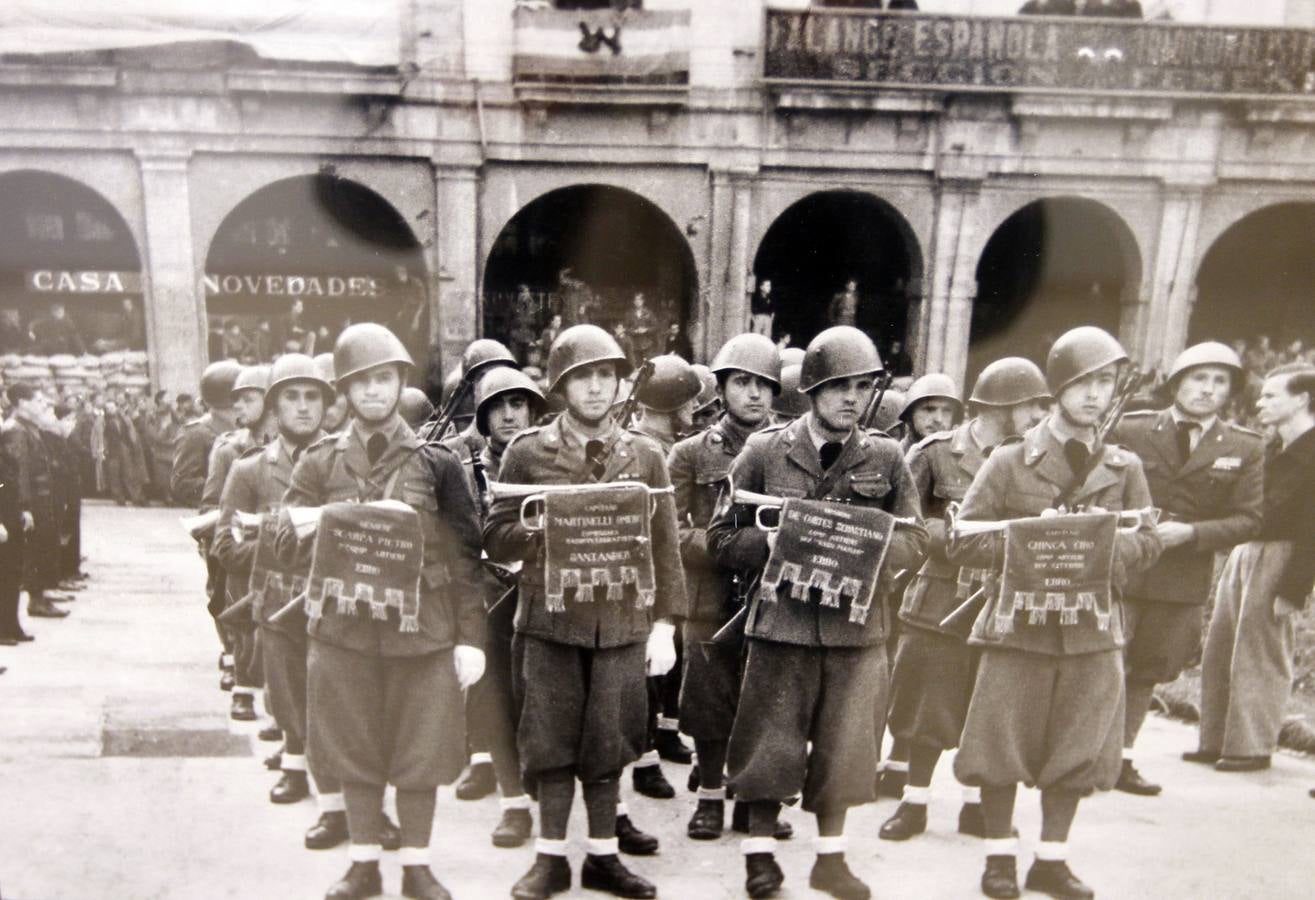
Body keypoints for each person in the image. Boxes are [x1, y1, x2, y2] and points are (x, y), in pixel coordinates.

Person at [708, 326, 928, 900]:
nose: (851, 398)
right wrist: (781, 539)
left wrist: (865, 548)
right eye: (838, 387)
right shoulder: (763, 451)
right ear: (810, 390)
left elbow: (917, 539)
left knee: (847, 745)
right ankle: (759, 855)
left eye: (861, 387)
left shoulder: (886, 455)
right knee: (768, 740)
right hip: (782, 623)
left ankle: (830, 858)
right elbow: (721, 539)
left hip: (856, 629)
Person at [276, 323, 490, 900]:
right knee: (353, 747)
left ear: (399, 383)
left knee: (420, 750)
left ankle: (416, 866)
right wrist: (336, 518)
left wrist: (471, 639)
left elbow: (468, 553)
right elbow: (283, 542)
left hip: (422, 632)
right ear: (343, 391)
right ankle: (363, 864)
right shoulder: (319, 463)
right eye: (361, 382)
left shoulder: (437, 463)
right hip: (342, 632)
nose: (373, 392)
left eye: (384, 379)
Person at [948, 326, 1163, 900]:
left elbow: (1149, 543)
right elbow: (964, 541)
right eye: (1083, 382)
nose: (1095, 394)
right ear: (1058, 387)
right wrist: (1030, 542)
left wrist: (1097, 547)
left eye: (1106, 382)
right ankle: (998, 859)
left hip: (1092, 629)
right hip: (1018, 628)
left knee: (1076, 749)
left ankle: (1051, 860)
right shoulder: (1010, 461)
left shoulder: (1124, 466)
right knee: (1000, 744)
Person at [485, 324, 687, 900]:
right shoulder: (527, 453)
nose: (596, 389)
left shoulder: (647, 456)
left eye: (606, 376)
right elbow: (494, 535)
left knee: (610, 741)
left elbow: (666, 545)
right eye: (583, 378)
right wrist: (538, 527)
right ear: (561, 386)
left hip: (621, 625)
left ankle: (602, 857)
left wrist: (667, 625)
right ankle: (550, 860)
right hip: (549, 624)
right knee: (549, 742)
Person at [879, 358, 1051, 844]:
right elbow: (902, 518)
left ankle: (975, 807)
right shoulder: (936, 453)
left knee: (989, 709)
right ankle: (913, 804)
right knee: (926, 709)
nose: (1040, 415)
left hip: (1001, 598)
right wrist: (953, 535)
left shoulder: (1031, 458)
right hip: (939, 596)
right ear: (1003, 405)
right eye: (1032, 405)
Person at [1113, 343, 1264, 795]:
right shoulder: (1133, 430)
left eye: (1220, 382)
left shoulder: (1244, 446)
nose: (1208, 389)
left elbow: (1250, 518)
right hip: (1123, 569)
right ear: (1177, 383)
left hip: (1181, 580)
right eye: (1199, 378)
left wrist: (1193, 534)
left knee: (1147, 668)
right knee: (1103, 661)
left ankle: (1120, 759)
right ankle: (1080, 752)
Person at [668, 333, 792, 843]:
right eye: (743, 382)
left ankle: (752, 797)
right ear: (721, 389)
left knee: (764, 699)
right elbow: (671, 531)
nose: (755, 394)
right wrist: (736, 547)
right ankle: (710, 798)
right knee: (708, 700)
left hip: (773, 595)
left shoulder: (792, 449)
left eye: (764, 384)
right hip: (711, 594)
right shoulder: (689, 453)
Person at [1187, 364, 1315, 773]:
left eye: (1271, 396)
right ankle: (1217, 740)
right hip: (1247, 550)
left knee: (1260, 653)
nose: (1260, 402)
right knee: (1222, 647)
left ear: (1302, 400)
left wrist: (1294, 589)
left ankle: (1251, 747)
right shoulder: (1270, 448)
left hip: (1281, 555)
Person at [466, 367, 548, 848]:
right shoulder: (465, 468)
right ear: (483, 417)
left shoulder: (547, 461)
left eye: (519, 404)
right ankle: (513, 803)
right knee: (494, 696)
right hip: (488, 595)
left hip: (539, 592)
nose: (509, 414)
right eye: (498, 406)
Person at [631, 355, 704, 795]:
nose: (694, 412)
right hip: (642, 574)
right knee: (642, 673)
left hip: (660, 569)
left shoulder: (657, 446)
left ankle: (658, 738)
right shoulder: (647, 448)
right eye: (688, 404)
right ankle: (644, 762)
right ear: (671, 405)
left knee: (659, 668)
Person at [205, 365, 275, 723]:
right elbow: (211, 503)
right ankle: (243, 687)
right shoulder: (230, 450)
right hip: (240, 550)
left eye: (250, 399)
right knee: (241, 617)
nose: (241, 408)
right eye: (237, 401)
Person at [897, 373, 962, 455]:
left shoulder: (954, 459)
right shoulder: (893, 460)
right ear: (910, 414)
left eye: (946, 410)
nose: (939, 419)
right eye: (930, 409)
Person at [625, 293, 660, 364]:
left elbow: (656, 327)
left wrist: (646, 330)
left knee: (648, 365)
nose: (638, 301)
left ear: (643, 301)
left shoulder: (649, 313)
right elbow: (625, 328)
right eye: (636, 300)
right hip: (635, 345)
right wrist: (634, 331)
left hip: (647, 344)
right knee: (638, 365)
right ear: (633, 302)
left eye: (640, 299)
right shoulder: (629, 314)